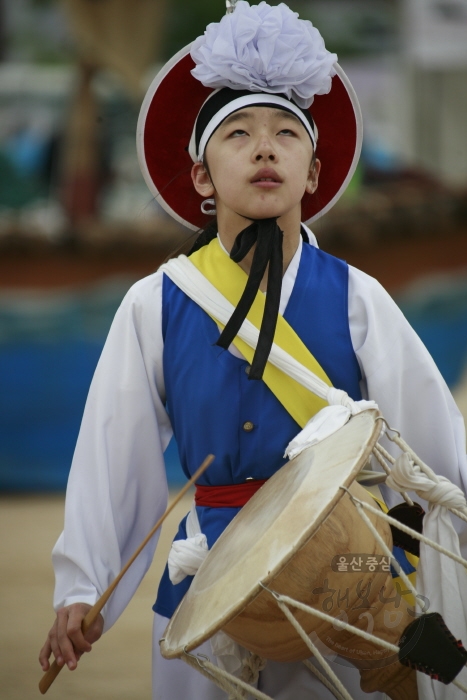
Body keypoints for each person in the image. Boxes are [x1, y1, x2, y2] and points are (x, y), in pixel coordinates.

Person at [39, 3, 467, 699]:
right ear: (202, 178)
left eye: (285, 135)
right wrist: (83, 589)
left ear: (312, 173)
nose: (263, 148)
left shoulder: (358, 297)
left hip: (349, 590)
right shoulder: (155, 303)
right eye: (236, 134)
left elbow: (433, 452)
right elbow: (112, 458)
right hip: (211, 585)